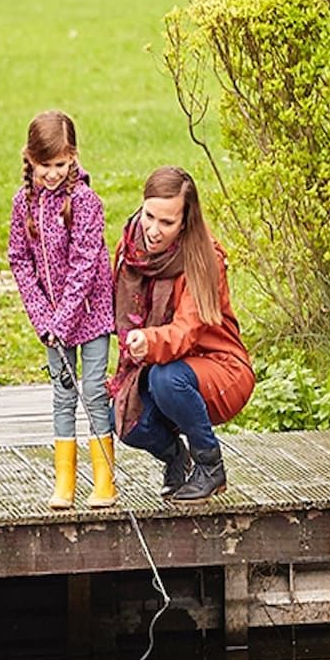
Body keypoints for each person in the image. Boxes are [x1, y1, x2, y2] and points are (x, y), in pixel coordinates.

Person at [108, 166, 254, 502]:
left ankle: (210, 466)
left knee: (166, 379)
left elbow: (187, 331)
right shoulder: (129, 250)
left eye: (167, 223)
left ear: (185, 222)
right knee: (124, 415)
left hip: (218, 367)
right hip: (159, 366)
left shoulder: (204, 259)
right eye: (149, 216)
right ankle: (177, 459)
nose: (154, 231)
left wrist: (148, 341)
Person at [6, 109, 116, 509]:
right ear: (30, 159)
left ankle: (104, 481)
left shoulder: (86, 202)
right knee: (62, 394)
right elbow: (18, 259)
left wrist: (63, 319)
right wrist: (43, 318)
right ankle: (64, 483)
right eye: (44, 165)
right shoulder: (23, 203)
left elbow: (87, 263)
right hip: (51, 322)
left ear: (73, 157)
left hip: (91, 314)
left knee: (92, 390)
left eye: (60, 164)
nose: (52, 173)